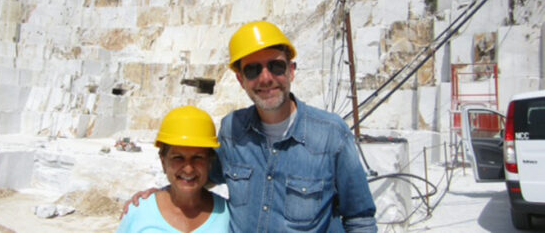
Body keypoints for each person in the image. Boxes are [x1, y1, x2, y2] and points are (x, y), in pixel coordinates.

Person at [126, 21, 377, 232]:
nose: (266, 78)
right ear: (240, 79)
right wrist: (161, 196)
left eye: (276, 66)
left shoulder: (331, 134)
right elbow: (199, 175)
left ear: (291, 70)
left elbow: (360, 218)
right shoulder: (232, 130)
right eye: (253, 70)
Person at [117, 105, 229, 232]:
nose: (188, 169)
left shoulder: (228, 216)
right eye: (178, 158)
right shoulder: (138, 212)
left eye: (198, 157)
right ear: (163, 161)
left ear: (210, 162)